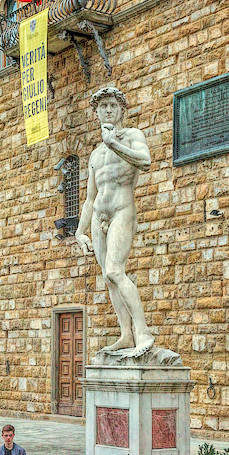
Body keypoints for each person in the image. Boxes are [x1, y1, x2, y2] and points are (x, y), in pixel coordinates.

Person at [75, 85, 154, 353]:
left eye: (112, 106)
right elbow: (88, 198)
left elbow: (145, 161)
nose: (108, 110)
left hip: (122, 209)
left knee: (114, 270)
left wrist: (114, 144)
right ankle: (126, 335)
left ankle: (143, 333)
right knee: (108, 279)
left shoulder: (132, 136)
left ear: (121, 110)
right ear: (97, 113)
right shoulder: (95, 155)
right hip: (99, 215)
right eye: (102, 107)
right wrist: (79, 232)